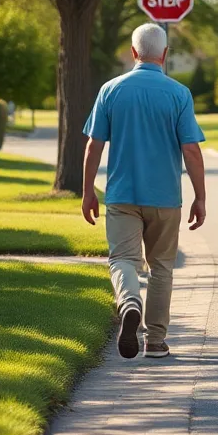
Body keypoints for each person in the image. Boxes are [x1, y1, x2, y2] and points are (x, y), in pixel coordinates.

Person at [81, 23, 206, 360]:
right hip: (165, 198)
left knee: (122, 259)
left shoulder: (111, 90)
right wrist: (201, 197)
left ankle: (130, 301)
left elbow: (94, 145)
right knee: (161, 267)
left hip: (122, 195)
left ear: (133, 52)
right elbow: (191, 151)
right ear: (164, 55)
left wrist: (87, 191)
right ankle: (155, 341)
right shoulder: (179, 94)